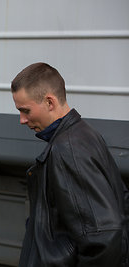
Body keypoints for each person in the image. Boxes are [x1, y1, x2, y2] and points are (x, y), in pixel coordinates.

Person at [11, 62, 129, 266]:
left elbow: (103, 238)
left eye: (26, 110)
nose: (22, 120)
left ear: (49, 102)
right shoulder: (84, 134)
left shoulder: (66, 151)